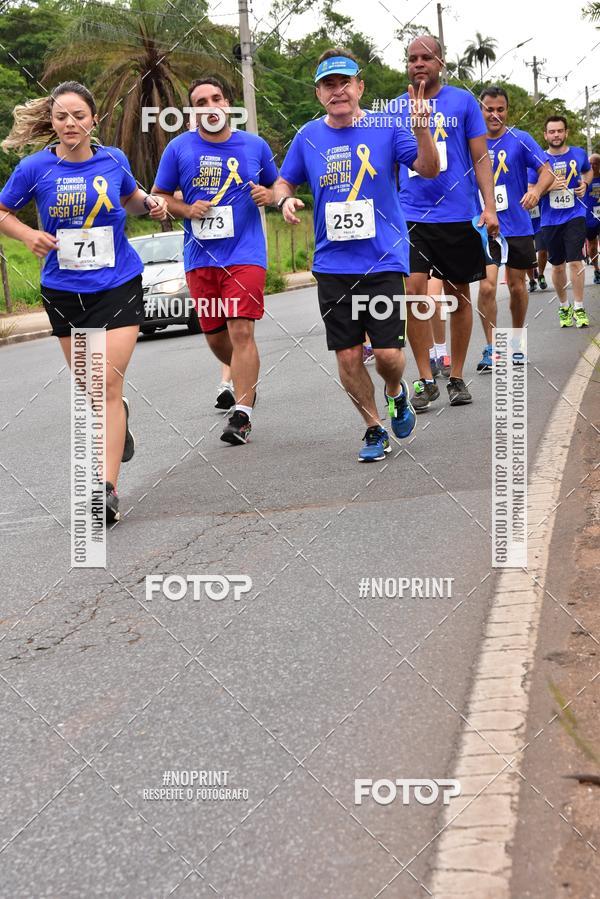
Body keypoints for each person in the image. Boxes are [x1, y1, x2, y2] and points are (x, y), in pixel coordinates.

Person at [0, 81, 168, 523]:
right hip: (63, 290)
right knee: (95, 391)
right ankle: (120, 416)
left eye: (78, 115)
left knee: (105, 383)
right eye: (61, 117)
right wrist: (28, 235)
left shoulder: (114, 159)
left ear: (94, 119)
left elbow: (131, 199)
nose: (70, 124)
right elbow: (2, 211)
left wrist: (149, 203)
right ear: (51, 123)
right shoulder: (34, 168)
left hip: (118, 283)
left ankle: (106, 489)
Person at [274, 48, 439, 461]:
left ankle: (396, 393)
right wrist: (284, 202)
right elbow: (283, 182)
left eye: (345, 82)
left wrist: (422, 132)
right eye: (329, 84)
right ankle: (373, 428)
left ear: (360, 87)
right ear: (319, 93)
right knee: (348, 356)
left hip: (383, 259)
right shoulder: (307, 136)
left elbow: (431, 168)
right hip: (332, 265)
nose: (339, 90)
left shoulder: (387, 127)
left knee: (386, 355)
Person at [153, 76, 278, 444]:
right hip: (200, 259)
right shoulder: (178, 148)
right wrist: (186, 208)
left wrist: (267, 196)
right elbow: (159, 197)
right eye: (200, 103)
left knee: (241, 331)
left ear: (228, 104)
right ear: (192, 112)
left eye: (216, 99)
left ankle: (242, 414)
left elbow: (278, 186)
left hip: (245, 254)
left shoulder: (254, 145)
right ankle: (245, 380)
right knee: (216, 338)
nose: (210, 107)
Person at [396, 35, 498, 411]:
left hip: (458, 213)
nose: (419, 63)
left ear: (441, 62)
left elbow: (481, 157)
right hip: (412, 215)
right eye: (412, 59)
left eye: (426, 57)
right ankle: (426, 378)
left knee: (458, 296)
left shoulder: (463, 102)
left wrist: (490, 207)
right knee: (415, 290)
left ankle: (455, 376)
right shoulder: (395, 107)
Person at [475, 86, 554, 370]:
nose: (495, 115)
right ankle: (491, 348)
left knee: (519, 286)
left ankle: (517, 343)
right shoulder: (471, 141)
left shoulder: (520, 140)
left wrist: (537, 192)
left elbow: (547, 170)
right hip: (486, 226)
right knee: (486, 287)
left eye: (500, 109)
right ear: (480, 109)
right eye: (489, 109)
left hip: (518, 225)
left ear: (507, 110)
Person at [540, 116, 593, 328]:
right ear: (545, 135)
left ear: (566, 132)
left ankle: (579, 307)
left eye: (559, 131)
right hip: (550, 219)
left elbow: (587, 170)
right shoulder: (539, 160)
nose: (556, 135)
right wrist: (548, 186)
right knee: (558, 266)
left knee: (575, 261)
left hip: (575, 215)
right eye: (552, 131)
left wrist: (585, 184)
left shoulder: (579, 153)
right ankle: (564, 307)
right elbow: (530, 189)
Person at [526, 166, 549, 292]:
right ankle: (531, 280)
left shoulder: (536, 172)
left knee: (543, 250)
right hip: (524, 222)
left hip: (539, 221)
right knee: (528, 255)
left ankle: (540, 275)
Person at [584, 153, 600, 284]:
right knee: (592, 245)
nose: (593, 166)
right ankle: (596, 269)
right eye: (591, 163)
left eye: (596, 163)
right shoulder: (584, 180)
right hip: (590, 217)